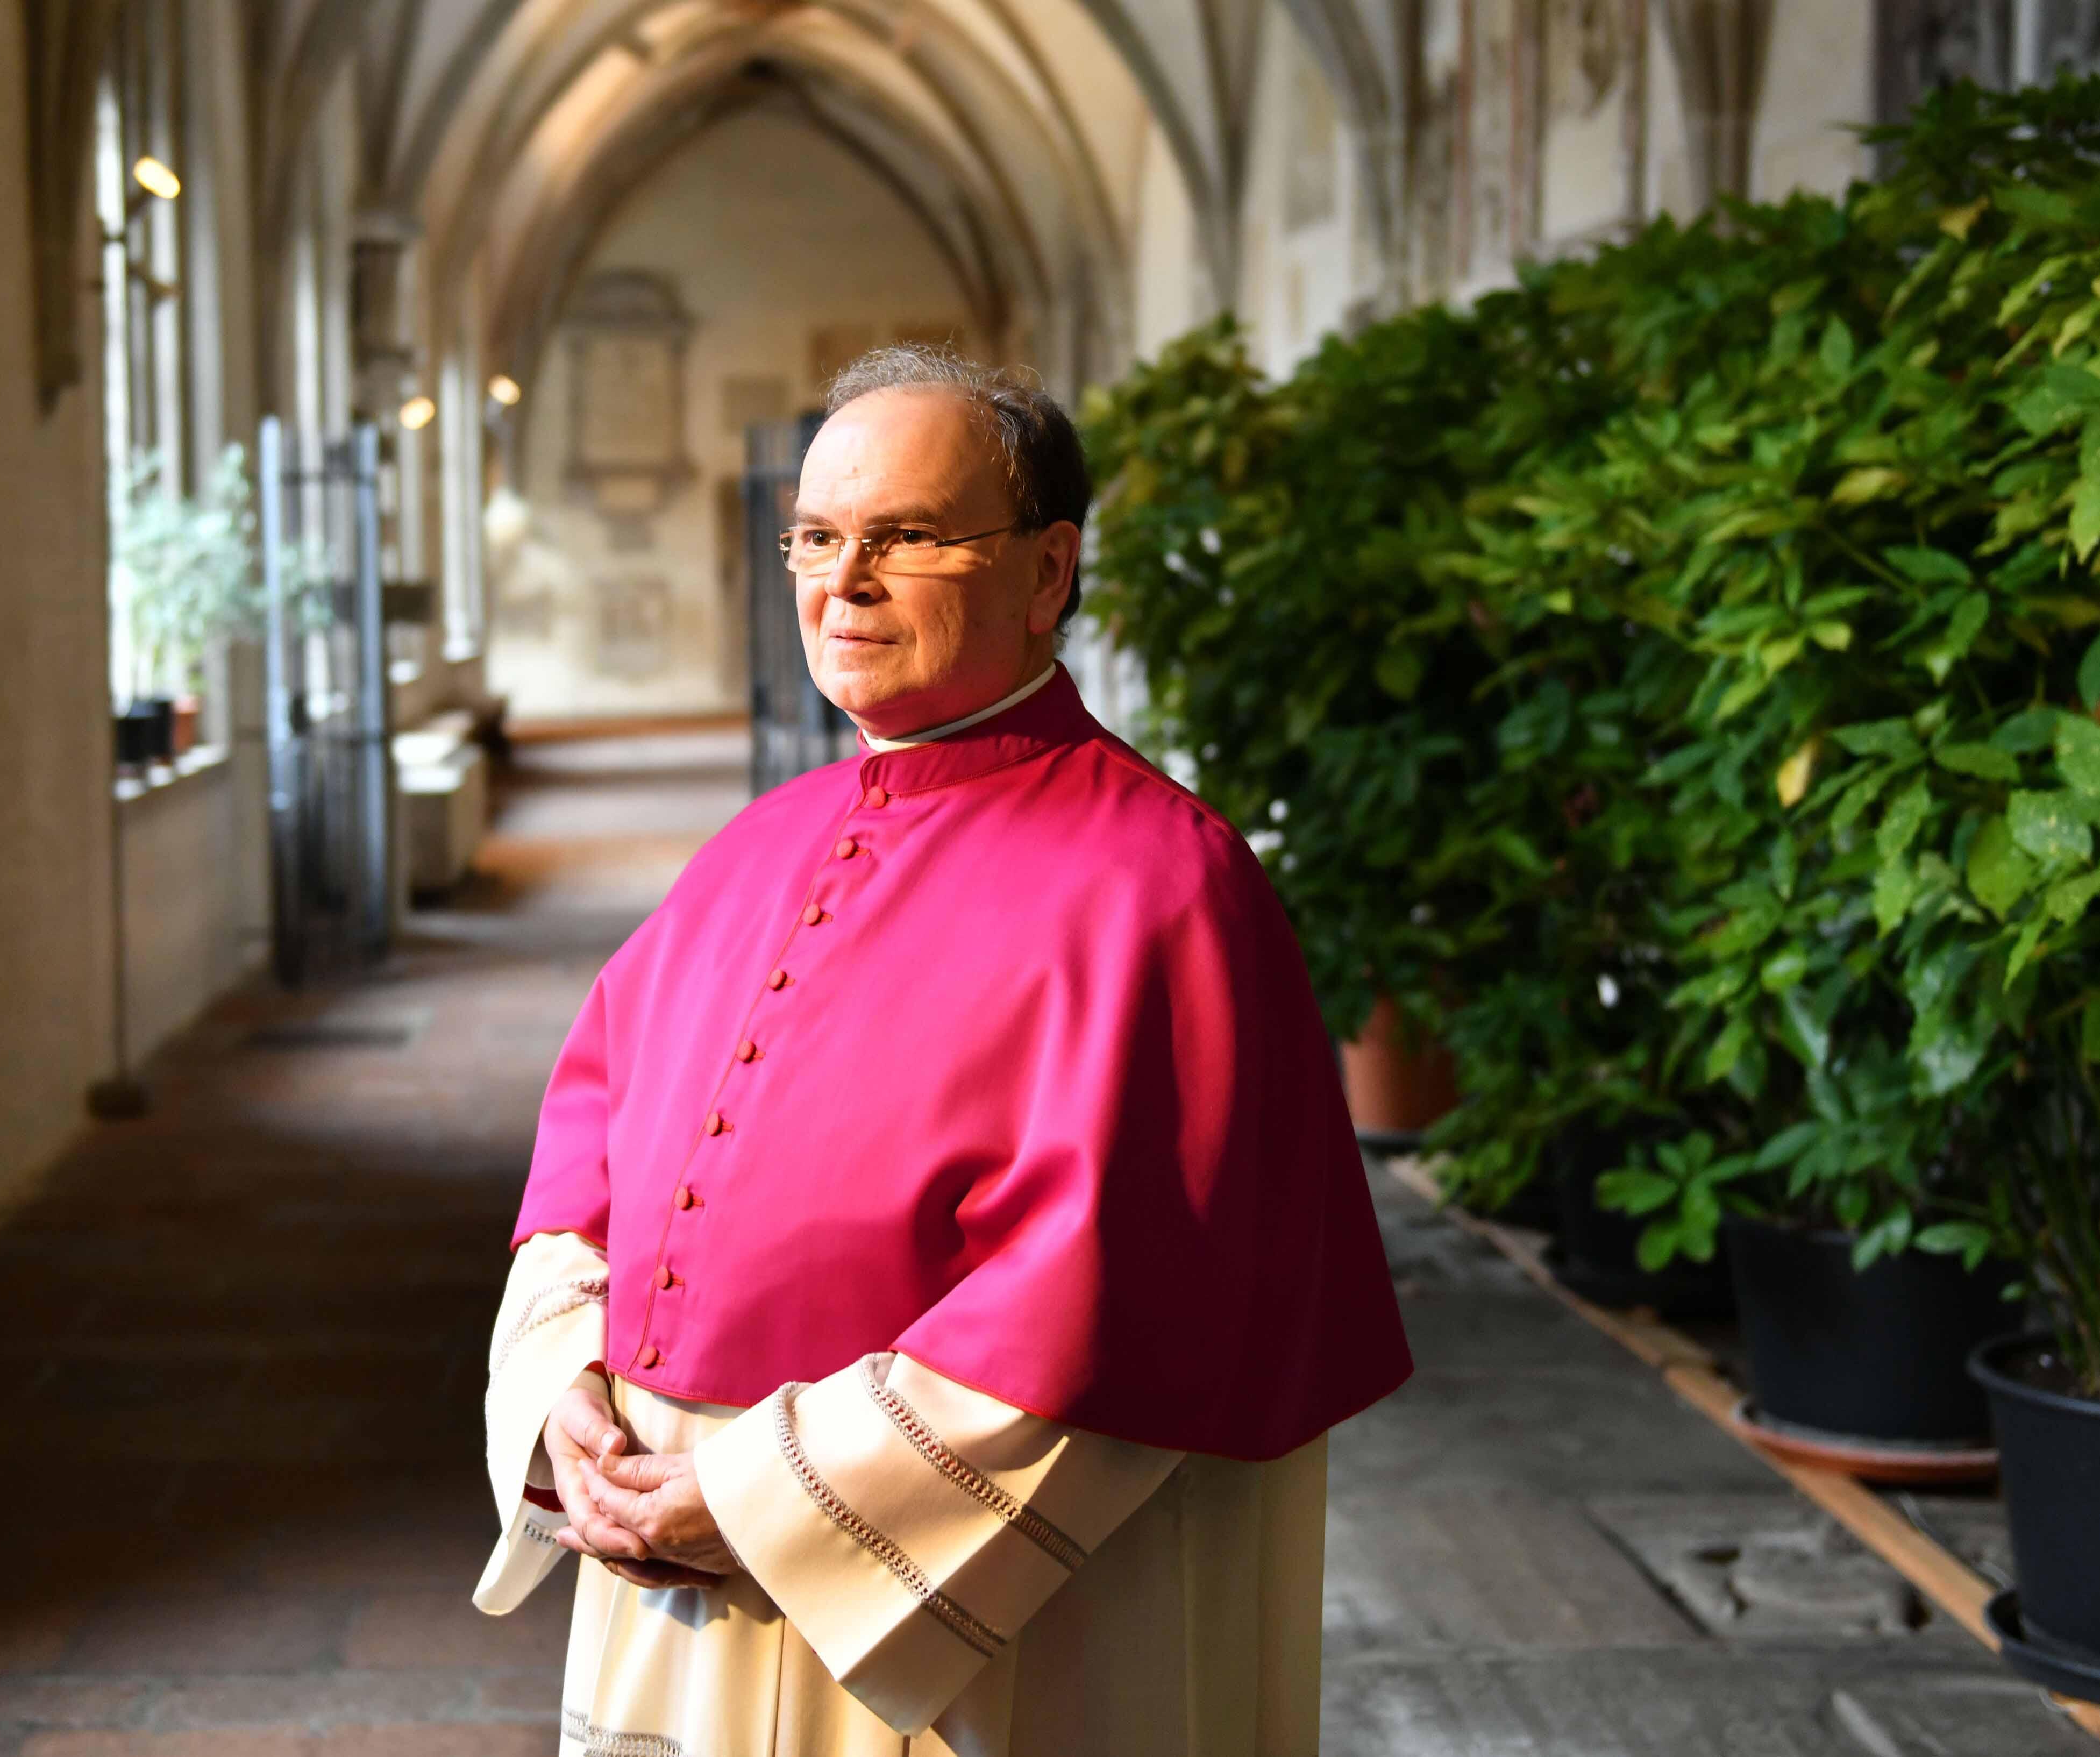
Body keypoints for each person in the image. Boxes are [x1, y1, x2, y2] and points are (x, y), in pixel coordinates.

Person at [474, 346, 1411, 1756]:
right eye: (815, 536)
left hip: (956, 1619)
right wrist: (567, 1402)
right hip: (662, 1533)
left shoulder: (1161, 882)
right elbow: (584, 1156)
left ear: (1047, 573)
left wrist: (757, 1497)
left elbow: (1117, 1305)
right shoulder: (754, 846)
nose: (841, 580)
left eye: (906, 536)